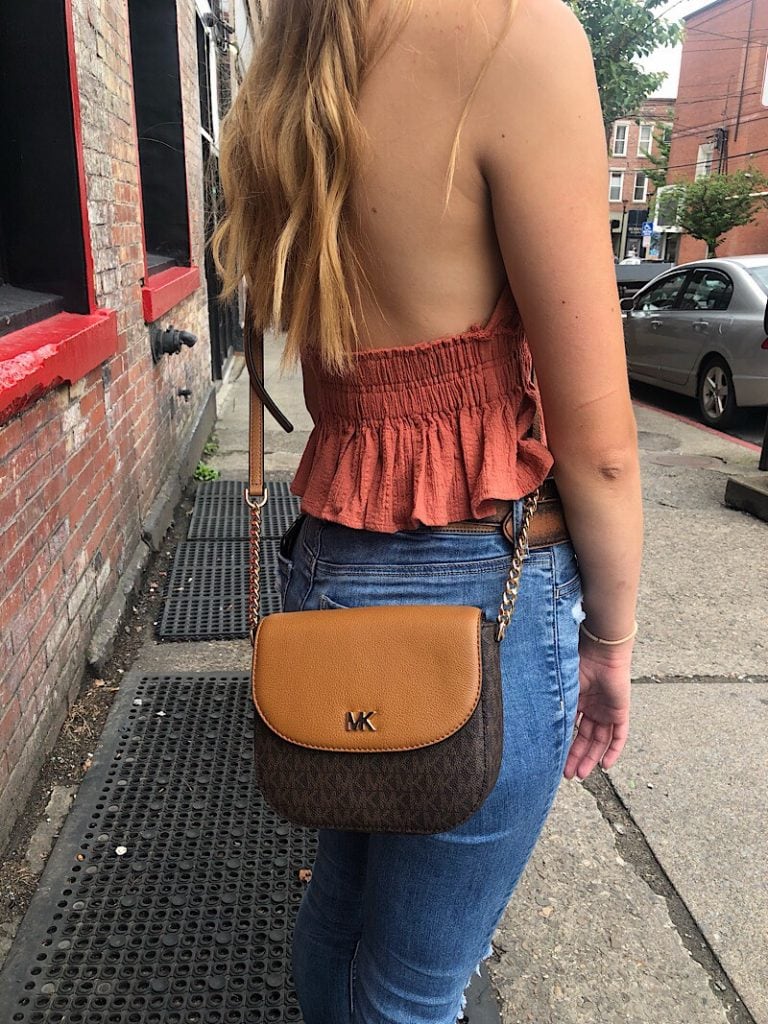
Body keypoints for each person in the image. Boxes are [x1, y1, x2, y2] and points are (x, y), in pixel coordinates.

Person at [212, 1, 643, 1021]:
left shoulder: (295, 54)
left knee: (342, 920)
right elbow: (601, 448)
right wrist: (612, 645)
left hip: (328, 573)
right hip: (484, 593)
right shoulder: (515, 36)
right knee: (415, 984)